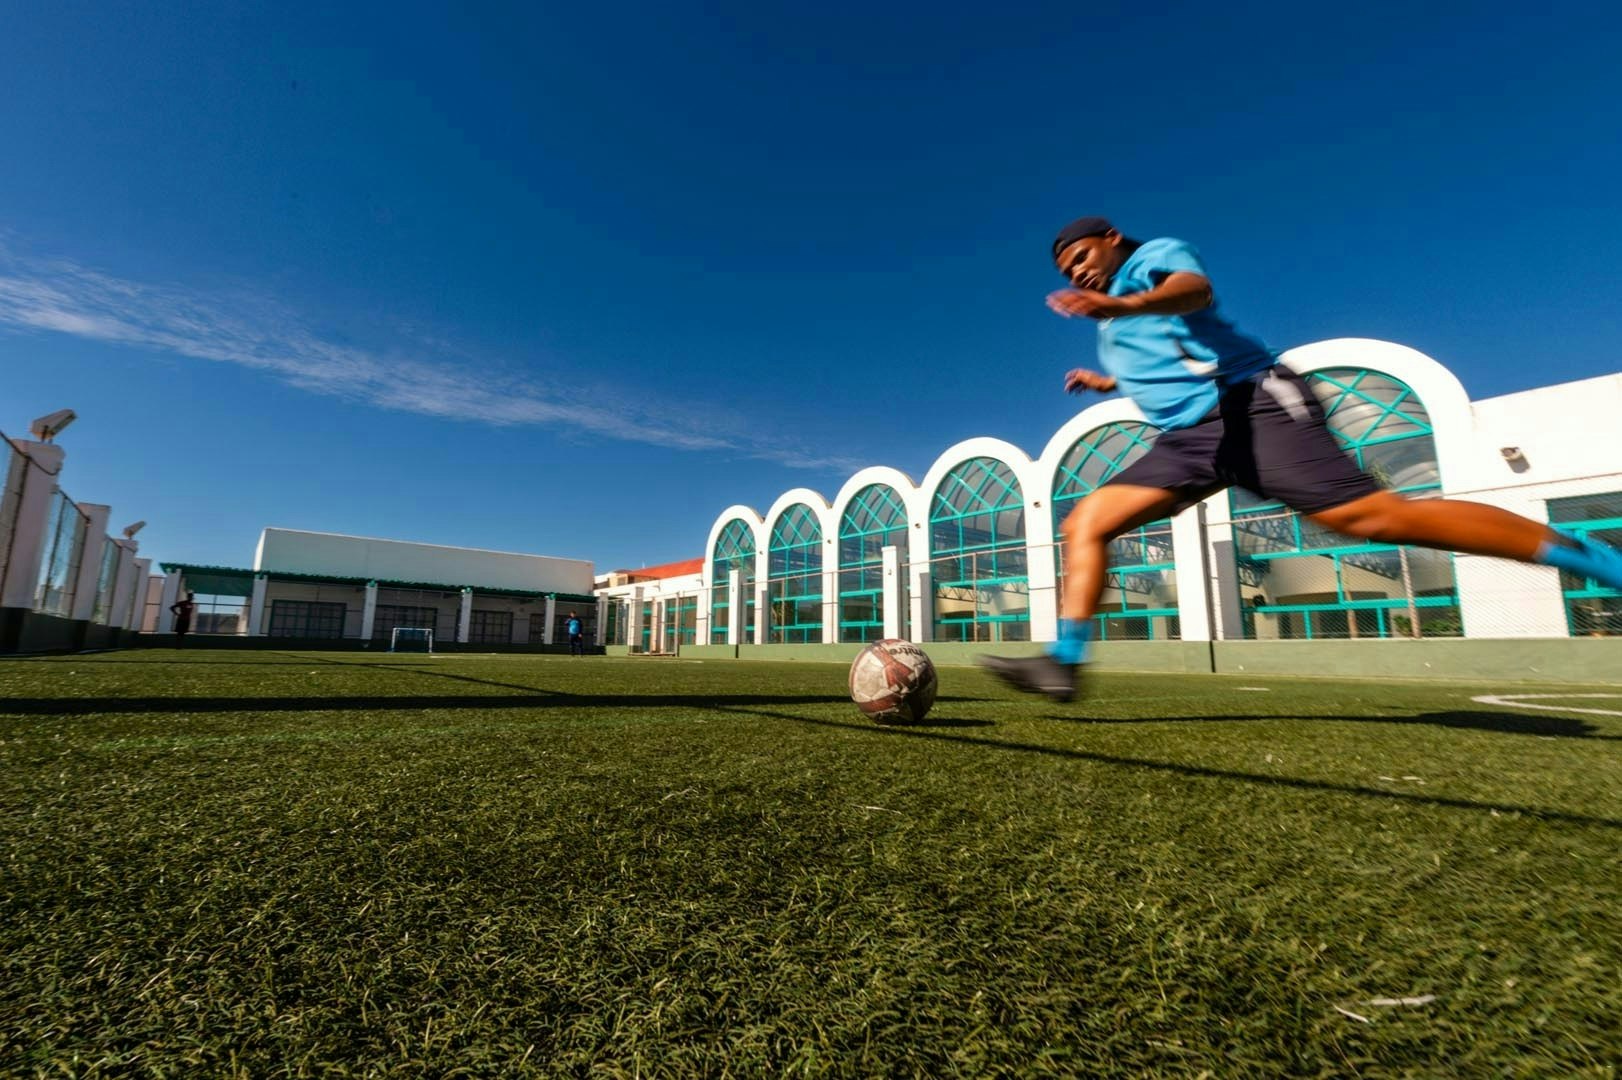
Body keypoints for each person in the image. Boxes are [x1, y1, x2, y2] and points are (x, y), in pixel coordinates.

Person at [979, 216, 1622, 702]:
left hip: (1252, 403)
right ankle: (1065, 663)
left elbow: (1193, 293)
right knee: (1086, 522)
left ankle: (1587, 555)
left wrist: (1125, 302)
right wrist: (1107, 381)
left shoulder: (1152, 262)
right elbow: (1166, 361)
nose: (1078, 274)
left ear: (1112, 239)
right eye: (1067, 272)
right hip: (1189, 441)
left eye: (1082, 258)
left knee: (1372, 519)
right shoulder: (1110, 319)